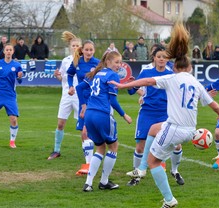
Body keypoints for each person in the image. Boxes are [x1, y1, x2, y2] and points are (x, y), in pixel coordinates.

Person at [110, 22, 219, 208]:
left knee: (154, 161)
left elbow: (146, 81)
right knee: (153, 129)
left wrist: (122, 86)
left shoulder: (171, 78)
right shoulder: (195, 82)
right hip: (190, 131)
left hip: (175, 129)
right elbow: (214, 105)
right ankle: (143, 170)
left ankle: (169, 199)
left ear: (176, 67)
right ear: (189, 68)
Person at [124, 45, 184, 187]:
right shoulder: (146, 72)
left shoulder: (172, 74)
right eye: (159, 57)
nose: (161, 59)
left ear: (167, 59)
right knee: (140, 146)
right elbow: (133, 90)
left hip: (166, 114)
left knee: (176, 145)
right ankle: (136, 175)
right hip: (148, 112)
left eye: (164, 57)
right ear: (154, 58)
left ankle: (175, 171)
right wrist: (130, 84)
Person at [82, 51, 132, 192]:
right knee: (113, 147)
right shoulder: (112, 75)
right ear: (108, 62)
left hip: (90, 113)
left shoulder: (98, 73)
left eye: (120, 62)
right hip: (102, 114)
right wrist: (124, 115)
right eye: (116, 62)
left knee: (100, 148)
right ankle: (104, 181)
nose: (119, 65)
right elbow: (113, 100)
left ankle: (88, 183)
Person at [66, 40, 100, 175]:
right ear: (83, 50)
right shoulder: (77, 62)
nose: (89, 52)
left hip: (95, 100)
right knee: (84, 133)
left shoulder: (97, 64)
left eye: (91, 50)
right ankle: (88, 164)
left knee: (93, 132)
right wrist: (70, 86)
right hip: (81, 100)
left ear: (94, 50)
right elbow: (69, 74)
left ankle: (94, 161)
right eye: (87, 50)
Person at [47, 31, 82, 160]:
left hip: (80, 96)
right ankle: (56, 150)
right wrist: (57, 76)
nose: (75, 47)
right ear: (70, 47)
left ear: (81, 47)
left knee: (82, 126)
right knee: (61, 124)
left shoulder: (84, 61)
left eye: (77, 45)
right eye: (73, 45)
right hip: (66, 96)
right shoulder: (65, 60)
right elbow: (62, 78)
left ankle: (87, 153)